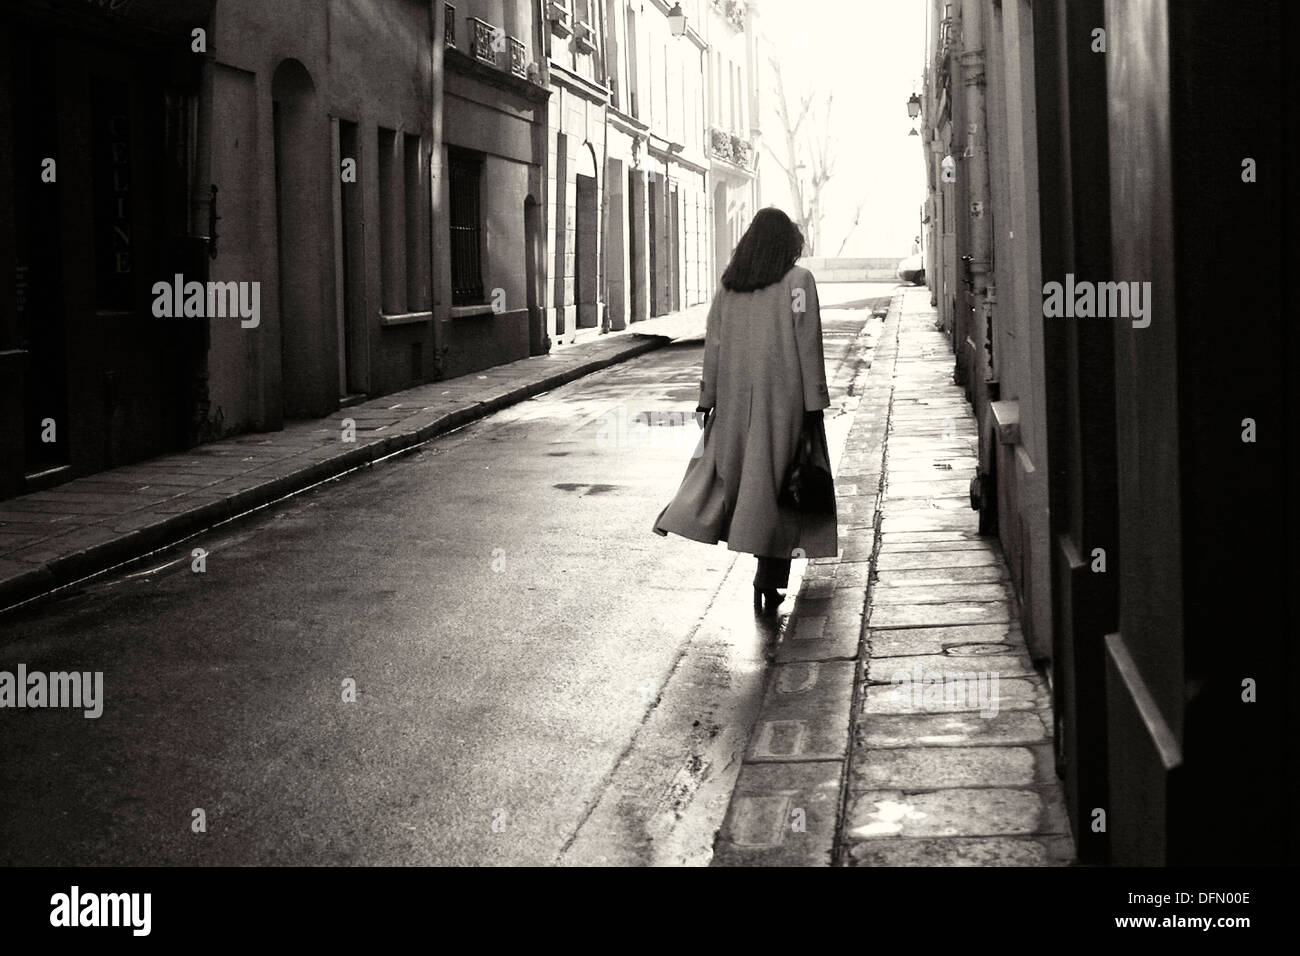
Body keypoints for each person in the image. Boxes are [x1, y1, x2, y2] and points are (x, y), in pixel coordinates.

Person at [652, 207, 838, 615]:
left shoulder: (730, 287)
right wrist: (815, 404)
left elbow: (713, 346)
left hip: (735, 405)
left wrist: (708, 398)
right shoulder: (798, 281)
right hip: (784, 403)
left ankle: (691, 522)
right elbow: (809, 345)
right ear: (787, 244)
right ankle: (770, 577)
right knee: (781, 489)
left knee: (741, 485)